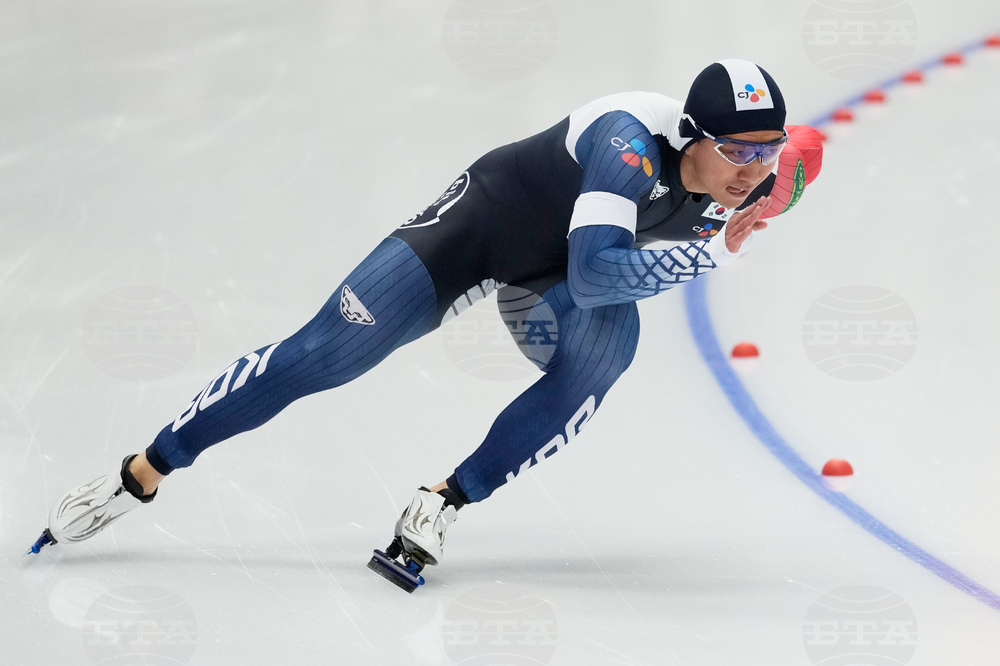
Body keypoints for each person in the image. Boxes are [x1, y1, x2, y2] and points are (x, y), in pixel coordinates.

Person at [31, 59, 823, 588]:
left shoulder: (753, 181)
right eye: (734, 151)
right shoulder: (629, 149)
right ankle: (144, 468)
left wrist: (740, 215)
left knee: (607, 350)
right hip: (476, 235)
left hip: (547, 280)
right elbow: (596, 269)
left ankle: (443, 500)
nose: (751, 169)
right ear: (693, 137)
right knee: (324, 355)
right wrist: (712, 252)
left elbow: (611, 275)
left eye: (766, 151)